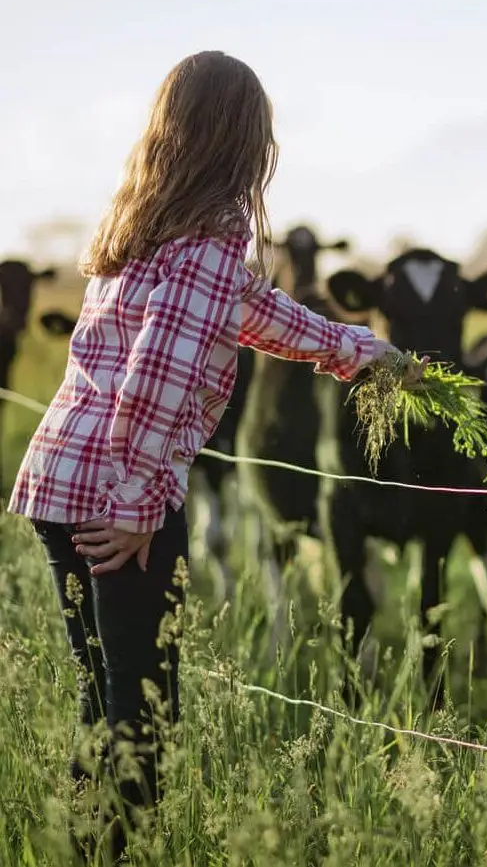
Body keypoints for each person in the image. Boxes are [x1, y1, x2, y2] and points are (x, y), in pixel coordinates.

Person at [6, 50, 422, 860]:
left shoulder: (145, 224)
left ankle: (87, 852)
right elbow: (155, 382)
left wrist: (359, 352)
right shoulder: (210, 238)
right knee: (144, 710)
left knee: (106, 695)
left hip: (63, 479)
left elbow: (254, 311)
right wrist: (134, 511)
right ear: (244, 139)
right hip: (114, 494)